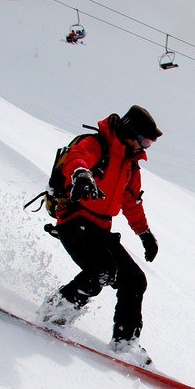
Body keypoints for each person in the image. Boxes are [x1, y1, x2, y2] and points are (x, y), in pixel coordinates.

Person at [39, 105, 163, 365]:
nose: (145, 148)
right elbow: (77, 159)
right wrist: (81, 175)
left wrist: (145, 234)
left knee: (135, 280)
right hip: (74, 221)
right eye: (144, 141)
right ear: (129, 131)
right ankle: (55, 312)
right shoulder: (97, 145)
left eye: (149, 143)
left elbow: (131, 203)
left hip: (101, 229)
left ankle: (125, 342)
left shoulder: (130, 166)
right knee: (102, 270)